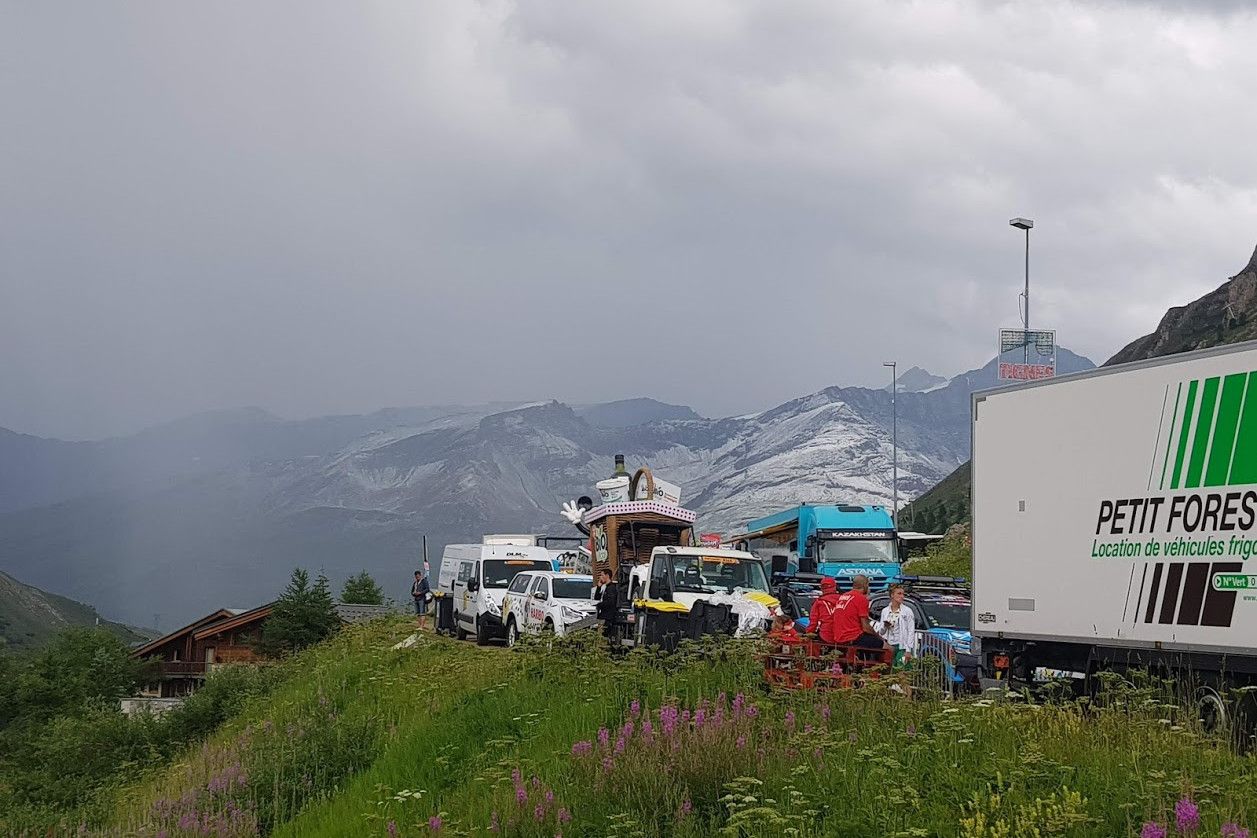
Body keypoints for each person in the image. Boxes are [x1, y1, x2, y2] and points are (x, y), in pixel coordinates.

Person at [831, 574, 886, 651]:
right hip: (853, 637)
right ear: (865, 585)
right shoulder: (861, 599)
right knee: (887, 647)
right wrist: (879, 637)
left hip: (838, 637)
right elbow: (865, 627)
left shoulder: (843, 596)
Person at [877, 584, 917, 666]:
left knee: (902, 668)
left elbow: (911, 631)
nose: (902, 596)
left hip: (902, 646)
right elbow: (881, 632)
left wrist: (908, 650)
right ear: (892, 595)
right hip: (890, 646)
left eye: (903, 594)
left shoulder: (907, 611)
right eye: (899, 594)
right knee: (890, 669)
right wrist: (885, 625)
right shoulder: (885, 611)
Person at [806, 576, 844, 643]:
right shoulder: (844, 600)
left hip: (826, 636)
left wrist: (808, 634)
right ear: (835, 587)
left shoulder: (819, 602)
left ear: (822, 589)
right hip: (844, 636)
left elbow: (813, 623)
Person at [594, 568, 620, 643]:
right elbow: (597, 597)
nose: (600, 578)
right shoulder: (605, 587)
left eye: (602, 575)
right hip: (603, 615)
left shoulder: (611, 588)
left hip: (607, 617)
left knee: (602, 637)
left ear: (607, 576)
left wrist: (599, 605)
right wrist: (599, 587)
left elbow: (610, 602)